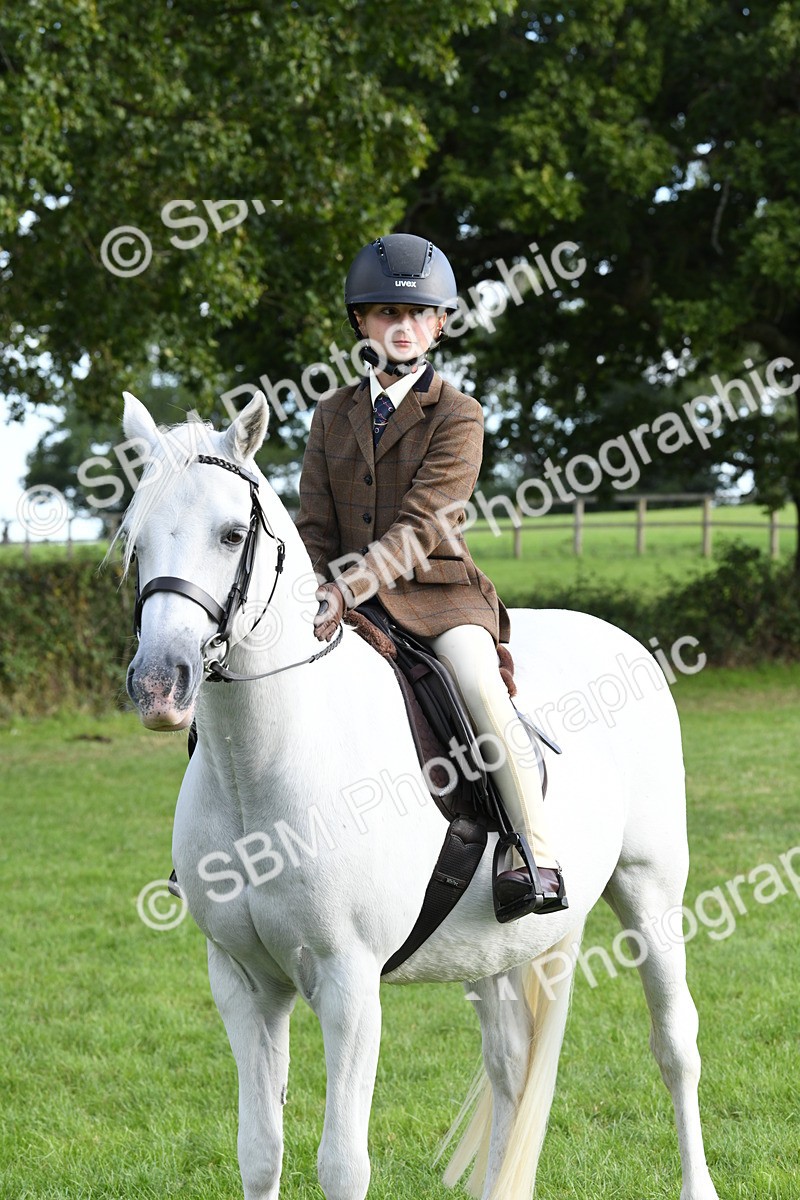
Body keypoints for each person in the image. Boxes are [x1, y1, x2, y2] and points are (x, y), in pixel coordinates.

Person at [295, 233, 567, 919]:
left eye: (418, 314)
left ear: (441, 324)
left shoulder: (459, 413)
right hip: (342, 596)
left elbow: (422, 526)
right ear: (361, 321)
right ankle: (200, 851)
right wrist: (303, 592)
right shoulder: (330, 414)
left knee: (477, 686)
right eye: (386, 312)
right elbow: (315, 525)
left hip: (438, 598)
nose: (403, 326)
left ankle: (532, 850)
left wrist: (345, 587)